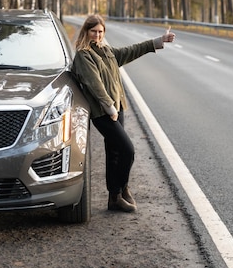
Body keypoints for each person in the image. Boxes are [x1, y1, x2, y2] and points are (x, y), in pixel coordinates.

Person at [71, 14, 175, 213]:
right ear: (86, 31)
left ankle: (115, 197)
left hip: (117, 107)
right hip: (103, 112)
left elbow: (130, 51)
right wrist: (110, 108)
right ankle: (122, 188)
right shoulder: (84, 55)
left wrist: (158, 42)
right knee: (128, 150)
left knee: (115, 152)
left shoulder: (106, 50)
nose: (97, 35)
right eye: (94, 31)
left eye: (100, 31)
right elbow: (95, 84)